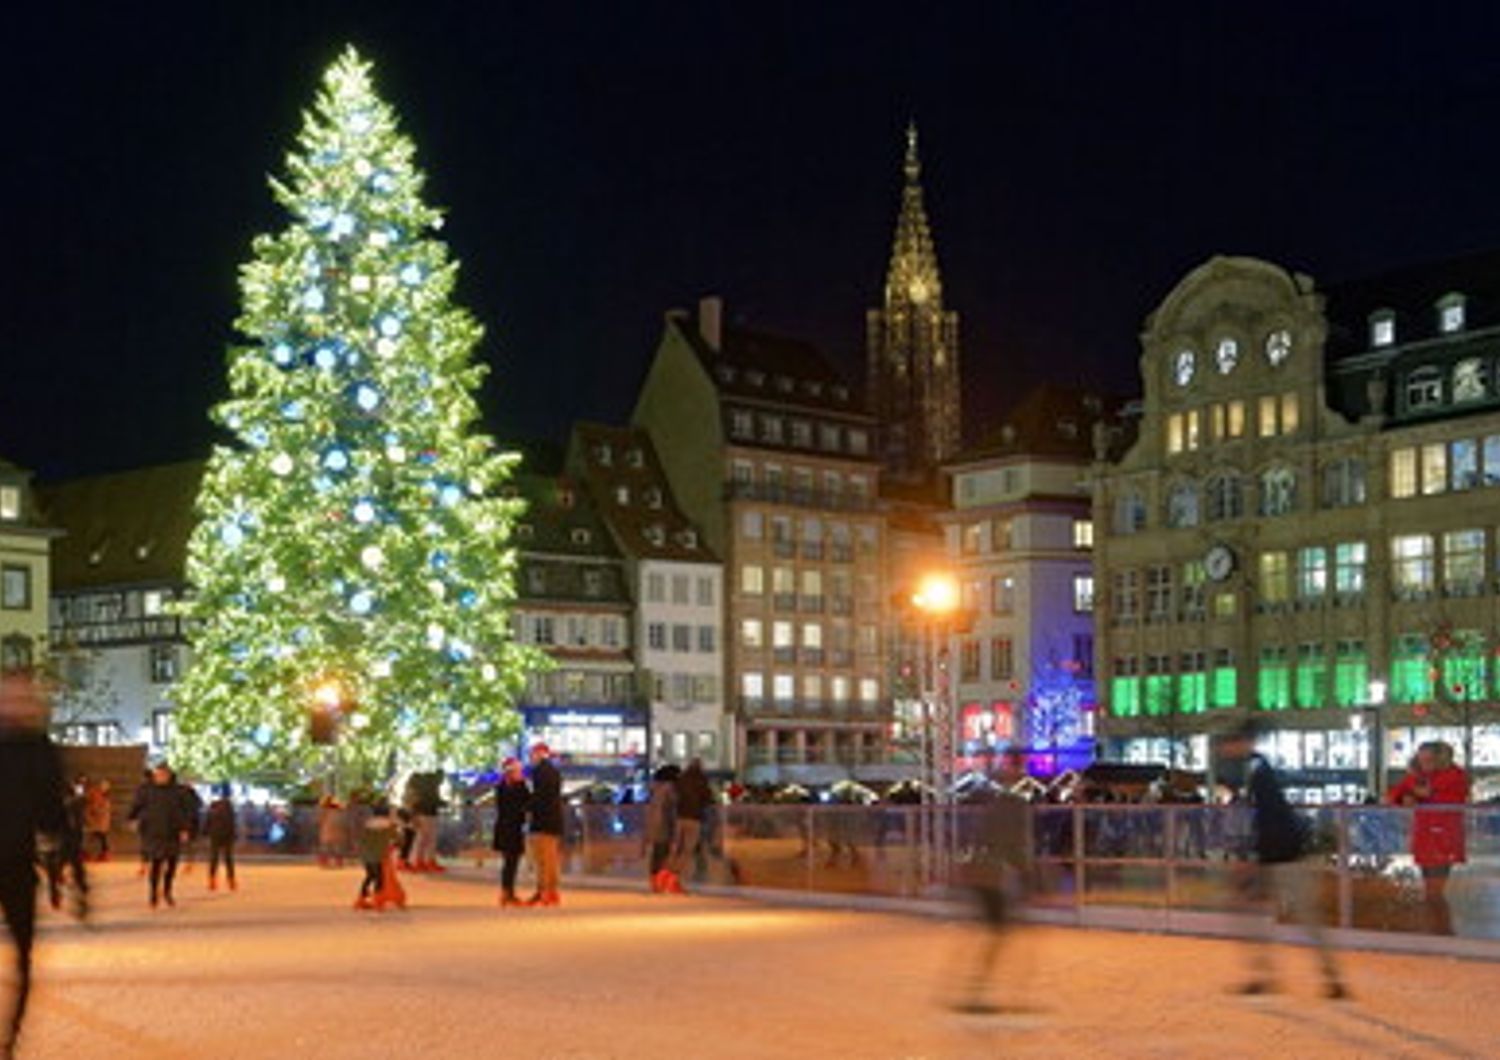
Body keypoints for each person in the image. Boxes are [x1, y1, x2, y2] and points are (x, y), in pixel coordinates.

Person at [1219, 722, 1348, 1000]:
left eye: (1229, 744)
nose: (1225, 751)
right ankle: (1322, 977)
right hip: (1281, 854)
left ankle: (1322, 977)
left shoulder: (1257, 771)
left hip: (1282, 856)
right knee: (1260, 915)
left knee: (1287, 915)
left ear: (1243, 743)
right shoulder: (1256, 770)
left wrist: (1254, 859)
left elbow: (1270, 819)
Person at [0, 670, 72, 1057]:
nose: (14, 704)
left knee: (24, 956)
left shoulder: (40, 749)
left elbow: (54, 815)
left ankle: (10, 1038)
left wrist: (76, 878)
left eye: (21, 697)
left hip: (16, 864)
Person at [949, 751, 1031, 1015]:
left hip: (985, 874)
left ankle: (972, 988)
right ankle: (974, 989)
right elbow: (1012, 844)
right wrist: (1027, 875)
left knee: (987, 932)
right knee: (994, 933)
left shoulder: (999, 803)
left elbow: (991, 839)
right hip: (991, 876)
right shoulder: (1013, 805)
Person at [1388, 740, 1469, 935]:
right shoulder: (1417, 776)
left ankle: (1442, 930)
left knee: (1434, 892)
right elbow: (1394, 795)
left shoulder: (1455, 776)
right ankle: (1437, 929)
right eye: (1421, 759)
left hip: (1444, 838)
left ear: (1440, 758)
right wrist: (1406, 797)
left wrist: (1418, 794)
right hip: (1425, 837)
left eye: (1429, 759)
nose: (1424, 763)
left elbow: (1452, 799)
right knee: (1430, 891)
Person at [130, 764, 192, 909]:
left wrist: (185, 829)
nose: (160, 777)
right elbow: (136, 806)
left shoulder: (178, 791)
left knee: (171, 865)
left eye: (163, 775)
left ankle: (167, 891)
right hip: (154, 832)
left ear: (169, 775)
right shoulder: (146, 790)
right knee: (156, 865)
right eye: (158, 775)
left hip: (172, 833)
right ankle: (153, 893)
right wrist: (132, 818)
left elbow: (185, 812)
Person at [663, 758, 712, 894]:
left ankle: (664, 874)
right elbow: (707, 798)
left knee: (676, 848)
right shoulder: (701, 780)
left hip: (680, 817)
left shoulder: (681, 779)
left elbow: (674, 797)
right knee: (687, 850)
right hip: (694, 818)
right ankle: (673, 878)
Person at [525, 743, 564, 906]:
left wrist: (528, 807)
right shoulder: (554, 772)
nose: (530, 758)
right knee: (551, 858)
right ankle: (552, 891)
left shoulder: (539, 772)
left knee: (543, 858)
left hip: (542, 821)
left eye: (532, 754)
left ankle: (544, 891)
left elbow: (539, 797)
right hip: (554, 820)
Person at [43, 776, 89, 914]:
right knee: (75, 867)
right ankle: (79, 890)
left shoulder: (48, 803)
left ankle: (55, 895)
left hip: (54, 842)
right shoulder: (74, 802)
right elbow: (82, 805)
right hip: (67, 840)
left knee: (53, 870)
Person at [491, 757, 530, 907]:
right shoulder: (515, 787)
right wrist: (521, 783)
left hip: (505, 828)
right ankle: (507, 893)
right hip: (512, 829)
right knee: (511, 862)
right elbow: (525, 802)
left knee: (509, 862)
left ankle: (506, 892)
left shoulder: (501, 787)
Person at [355, 800, 404, 911]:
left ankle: (361, 897)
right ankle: (378, 899)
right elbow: (397, 839)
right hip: (379, 854)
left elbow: (362, 839)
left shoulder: (368, 825)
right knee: (380, 878)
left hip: (366, 854)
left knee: (370, 876)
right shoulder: (388, 825)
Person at [645, 764, 680, 893]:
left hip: (654, 827)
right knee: (665, 855)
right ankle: (664, 883)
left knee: (657, 855)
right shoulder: (669, 789)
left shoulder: (654, 789)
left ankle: (655, 883)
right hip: (664, 826)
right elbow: (671, 809)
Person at [204, 784, 238, 892]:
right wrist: (233, 834)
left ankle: (212, 879)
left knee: (214, 857)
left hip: (215, 834)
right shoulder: (229, 806)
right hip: (226, 834)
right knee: (228, 858)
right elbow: (231, 822)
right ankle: (230, 880)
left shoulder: (213, 805)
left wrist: (206, 832)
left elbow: (208, 820)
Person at [174, 775, 204, 877]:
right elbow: (199, 805)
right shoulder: (190, 794)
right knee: (189, 844)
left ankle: (188, 863)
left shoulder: (180, 793)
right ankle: (189, 862)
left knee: (185, 844)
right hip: (190, 821)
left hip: (186, 822)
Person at [83, 778, 112, 862]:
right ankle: (91, 853)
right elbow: (93, 806)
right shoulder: (96, 794)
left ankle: (103, 854)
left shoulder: (104, 797)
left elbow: (100, 808)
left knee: (100, 838)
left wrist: (94, 810)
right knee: (98, 838)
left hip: (100, 822)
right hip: (97, 821)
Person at [316, 794, 349, 869]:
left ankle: (326, 863)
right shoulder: (339, 811)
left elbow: (319, 821)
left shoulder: (324, 811)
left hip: (328, 830)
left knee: (327, 847)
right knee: (336, 847)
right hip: (334, 830)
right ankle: (337, 862)